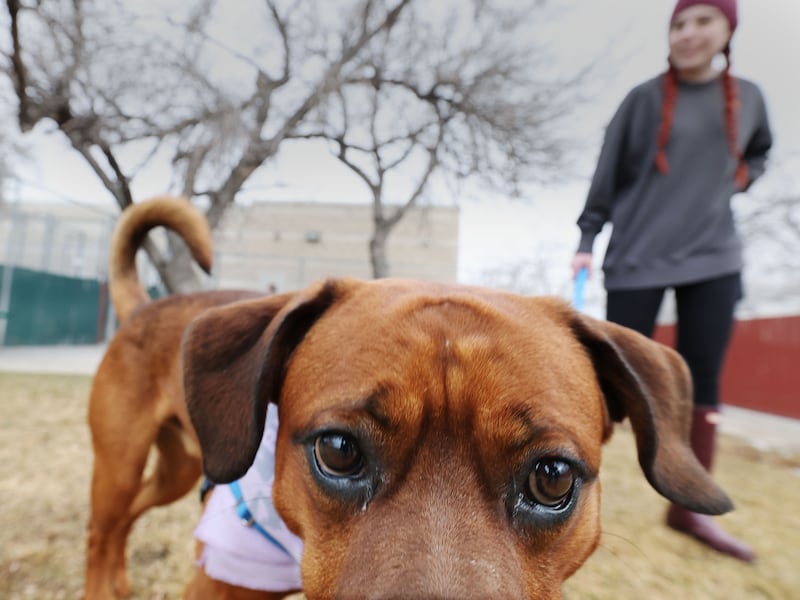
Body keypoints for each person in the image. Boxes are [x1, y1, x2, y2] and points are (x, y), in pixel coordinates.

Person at [571, 0, 772, 563]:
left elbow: (760, 153)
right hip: (638, 255)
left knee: (703, 377)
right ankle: (566, 495)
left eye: (702, 21)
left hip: (714, 257)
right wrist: (587, 243)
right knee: (611, 375)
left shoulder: (750, 99)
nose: (688, 33)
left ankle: (689, 510)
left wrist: (736, 181)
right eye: (679, 23)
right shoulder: (643, 100)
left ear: (727, 29)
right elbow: (604, 177)